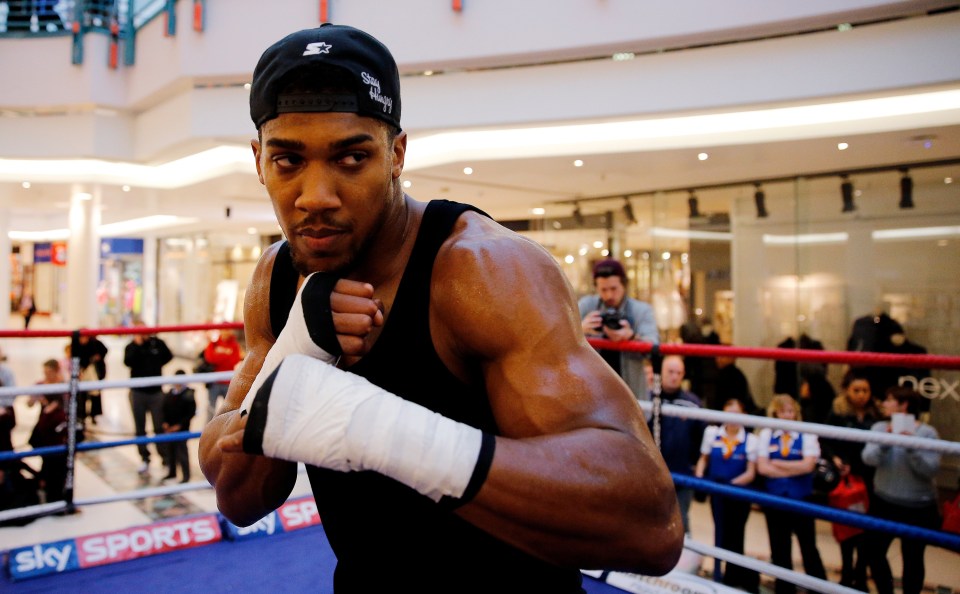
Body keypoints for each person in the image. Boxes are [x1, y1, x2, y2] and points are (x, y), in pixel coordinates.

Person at [198, 23, 682, 592]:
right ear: (259, 161)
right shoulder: (277, 279)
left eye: (351, 157)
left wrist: (381, 431)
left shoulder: (483, 271)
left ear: (396, 154)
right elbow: (238, 494)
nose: (316, 196)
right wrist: (297, 348)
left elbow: (649, 524)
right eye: (288, 161)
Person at [861, 387, 941, 594]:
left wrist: (911, 446)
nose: (884, 404)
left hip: (917, 506)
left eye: (889, 400)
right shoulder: (880, 428)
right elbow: (868, 459)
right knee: (873, 552)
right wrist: (886, 443)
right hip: (883, 501)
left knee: (913, 557)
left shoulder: (927, 433)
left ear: (903, 405)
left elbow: (931, 470)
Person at [756, 395, 827, 594]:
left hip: (801, 499)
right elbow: (762, 467)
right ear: (775, 413)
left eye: (790, 411)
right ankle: (784, 589)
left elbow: (808, 465)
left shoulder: (806, 434)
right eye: (782, 411)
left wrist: (778, 464)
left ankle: (819, 589)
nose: (787, 415)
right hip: (775, 499)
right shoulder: (766, 434)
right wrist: (795, 468)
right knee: (779, 547)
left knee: (808, 546)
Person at [821, 369, 883, 592]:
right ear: (847, 390)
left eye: (865, 390)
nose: (861, 395)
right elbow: (824, 439)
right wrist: (835, 458)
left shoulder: (877, 413)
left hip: (870, 478)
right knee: (846, 527)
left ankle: (861, 574)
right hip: (845, 479)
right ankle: (847, 572)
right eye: (856, 390)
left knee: (866, 529)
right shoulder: (838, 411)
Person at [694, 397, 760, 593]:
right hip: (717, 494)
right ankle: (718, 574)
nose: (732, 418)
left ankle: (733, 578)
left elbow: (751, 472)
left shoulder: (750, 439)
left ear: (744, 415)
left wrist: (731, 486)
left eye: (737, 414)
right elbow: (703, 459)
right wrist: (699, 476)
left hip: (739, 495)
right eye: (729, 413)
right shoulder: (712, 433)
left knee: (736, 535)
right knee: (719, 532)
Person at [578, 258, 659, 400]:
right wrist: (580, 329)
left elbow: (654, 347)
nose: (609, 295)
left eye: (614, 289)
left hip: (630, 393)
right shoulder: (587, 306)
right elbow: (560, 341)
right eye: (603, 290)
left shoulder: (641, 311)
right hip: (593, 393)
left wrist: (631, 337)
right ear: (596, 288)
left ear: (624, 285)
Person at [649, 354, 705, 534]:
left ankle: (684, 551)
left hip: (682, 474)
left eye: (679, 373)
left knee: (680, 522)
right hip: (650, 474)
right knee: (649, 521)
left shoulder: (692, 403)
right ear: (661, 372)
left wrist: (695, 464)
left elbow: (701, 436)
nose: (674, 376)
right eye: (670, 371)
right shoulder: (648, 399)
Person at [124, 321, 173, 475]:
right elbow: (127, 361)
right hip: (137, 392)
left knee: (159, 426)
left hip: (156, 392)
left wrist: (155, 363)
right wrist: (138, 345)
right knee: (140, 427)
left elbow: (168, 356)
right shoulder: (131, 346)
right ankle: (144, 458)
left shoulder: (157, 343)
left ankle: (165, 458)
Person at [28, 360, 70, 503]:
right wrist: (36, 398)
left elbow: (68, 407)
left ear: (56, 371)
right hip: (44, 426)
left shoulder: (63, 386)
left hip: (58, 428)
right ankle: (47, 489)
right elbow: (29, 404)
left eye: (49, 372)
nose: (47, 375)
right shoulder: (41, 384)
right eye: (45, 372)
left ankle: (56, 493)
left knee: (58, 460)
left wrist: (52, 406)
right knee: (46, 458)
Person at [161, 370, 196, 484]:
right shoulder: (170, 393)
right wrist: (165, 423)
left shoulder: (188, 394)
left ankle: (186, 475)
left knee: (182, 452)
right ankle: (172, 472)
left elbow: (191, 412)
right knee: (170, 451)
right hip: (169, 429)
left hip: (182, 429)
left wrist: (179, 425)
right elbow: (163, 408)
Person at [201, 328, 243, 423]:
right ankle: (208, 428)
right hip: (214, 382)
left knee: (230, 409)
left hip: (227, 382)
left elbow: (235, 360)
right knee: (211, 408)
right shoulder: (214, 344)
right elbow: (209, 358)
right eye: (223, 329)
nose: (226, 331)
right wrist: (226, 355)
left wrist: (219, 355)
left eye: (227, 329)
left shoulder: (234, 345)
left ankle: (228, 427)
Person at [75, 333, 109, 423]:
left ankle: (94, 415)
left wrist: (98, 357)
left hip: (95, 373)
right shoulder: (77, 345)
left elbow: (104, 351)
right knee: (82, 395)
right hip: (82, 373)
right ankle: (81, 415)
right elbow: (75, 358)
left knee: (95, 395)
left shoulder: (95, 343)